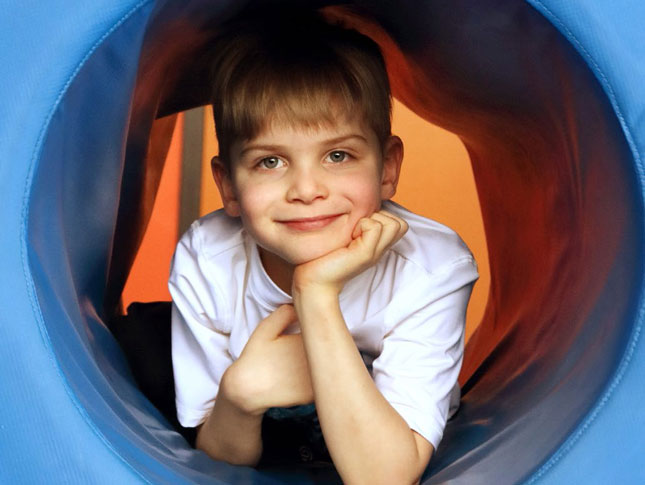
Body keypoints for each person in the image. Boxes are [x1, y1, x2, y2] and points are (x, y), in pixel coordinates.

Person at [168, 8, 478, 484]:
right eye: (270, 161)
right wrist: (240, 394)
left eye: (338, 155)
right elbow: (214, 461)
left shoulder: (431, 265)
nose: (307, 189)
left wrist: (314, 291)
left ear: (388, 168)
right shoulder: (207, 259)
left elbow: (385, 478)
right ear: (228, 185)